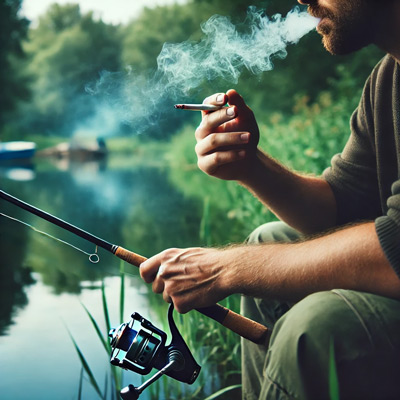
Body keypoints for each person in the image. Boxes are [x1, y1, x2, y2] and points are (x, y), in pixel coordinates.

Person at [140, 0, 400, 398]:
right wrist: (249, 165)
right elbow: (339, 208)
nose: (302, 0)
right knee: (268, 240)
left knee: (317, 326)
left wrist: (226, 268)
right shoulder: (387, 79)